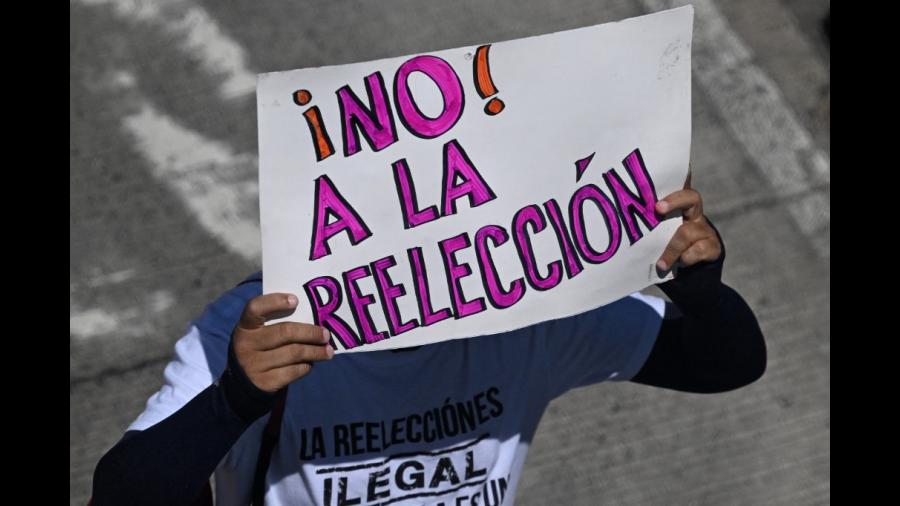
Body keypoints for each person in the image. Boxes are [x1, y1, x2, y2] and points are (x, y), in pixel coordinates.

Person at [91, 183, 766, 505]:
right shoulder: (260, 327)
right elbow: (125, 496)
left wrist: (698, 291)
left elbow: (727, 363)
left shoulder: (529, 314)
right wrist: (233, 399)